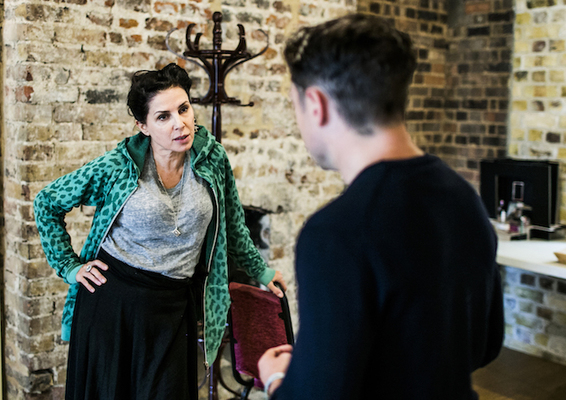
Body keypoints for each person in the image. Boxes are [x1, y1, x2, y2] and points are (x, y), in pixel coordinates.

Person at [257, 14, 504, 399]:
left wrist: (276, 379)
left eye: (296, 107)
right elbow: (484, 344)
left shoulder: (335, 233)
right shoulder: (465, 199)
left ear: (316, 104)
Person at [34, 63, 286, 400]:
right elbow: (46, 202)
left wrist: (260, 270)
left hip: (172, 305)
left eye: (183, 109)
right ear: (143, 126)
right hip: (114, 304)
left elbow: (232, 224)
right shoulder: (118, 166)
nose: (180, 124)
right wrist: (70, 266)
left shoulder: (211, 159)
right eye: (163, 116)